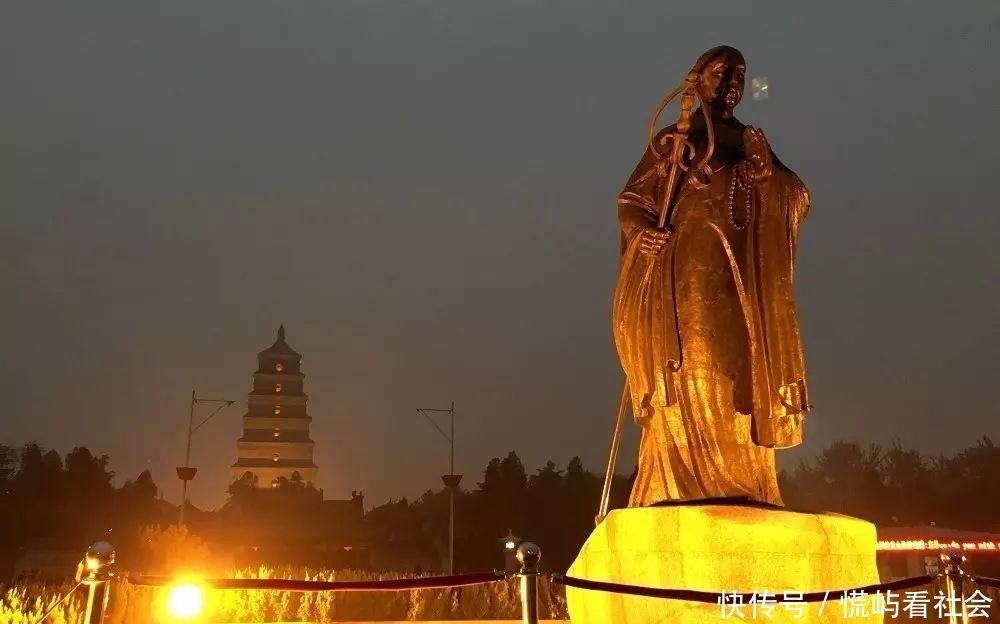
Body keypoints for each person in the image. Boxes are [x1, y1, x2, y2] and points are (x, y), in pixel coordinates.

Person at [612, 45, 812, 507]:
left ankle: (745, 480)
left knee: (741, 365)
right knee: (694, 360)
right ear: (697, 78)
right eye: (722, 73)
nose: (731, 84)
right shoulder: (677, 139)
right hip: (687, 270)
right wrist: (643, 232)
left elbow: (796, 196)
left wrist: (767, 175)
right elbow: (632, 200)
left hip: (738, 274)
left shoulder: (748, 140)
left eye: (739, 74)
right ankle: (686, 480)